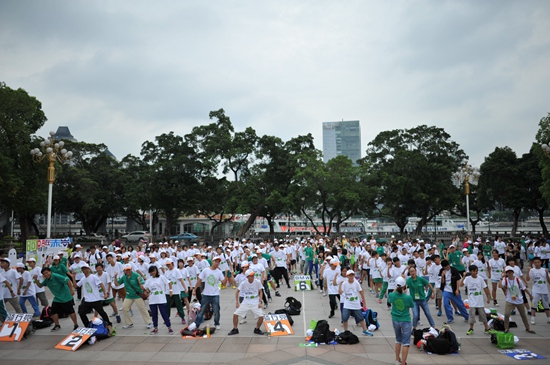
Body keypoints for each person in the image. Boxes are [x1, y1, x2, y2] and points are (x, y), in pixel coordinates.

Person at [188, 256, 228, 331]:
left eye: (218, 262)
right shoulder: (205, 270)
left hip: (215, 295)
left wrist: (226, 273)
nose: (217, 263)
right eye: (216, 261)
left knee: (216, 310)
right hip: (206, 294)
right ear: (212, 262)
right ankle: (196, 324)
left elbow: (224, 283)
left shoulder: (219, 272)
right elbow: (199, 280)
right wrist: (194, 289)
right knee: (202, 310)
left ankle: (217, 323)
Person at [34, 267, 79, 331]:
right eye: (44, 274)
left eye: (47, 272)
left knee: (71, 311)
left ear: (50, 272)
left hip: (65, 296)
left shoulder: (56, 276)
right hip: (57, 298)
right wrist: (36, 280)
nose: (46, 274)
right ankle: (57, 325)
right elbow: (40, 285)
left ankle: (76, 325)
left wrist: (71, 290)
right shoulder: (47, 280)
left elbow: (68, 280)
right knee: (53, 312)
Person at [114, 264, 152, 329]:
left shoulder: (137, 275)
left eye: (129, 269)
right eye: (126, 270)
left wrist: (139, 281)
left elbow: (143, 286)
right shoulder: (124, 277)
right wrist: (115, 277)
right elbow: (117, 284)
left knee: (142, 308)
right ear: (124, 271)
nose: (128, 271)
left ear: (131, 269)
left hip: (137, 295)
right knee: (124, 308)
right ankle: (129, 323)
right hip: (129, 296)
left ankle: (149, 322)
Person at [76, 263, 113, 331]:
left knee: (102, 313)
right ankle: (87, 325)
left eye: (85, 269)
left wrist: (105, 293)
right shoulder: (83, 279)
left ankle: (109, 324)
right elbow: (76, 286)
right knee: (81, 313)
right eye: (83, 269)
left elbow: (101, 285)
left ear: (88, 269)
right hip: (87, 300)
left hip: (95, 300)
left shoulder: (93, 277)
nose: (84, 270)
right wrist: (73, 277)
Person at [499, 266, 535, 334]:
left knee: (523, 315)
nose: (509, 273)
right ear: (506, 273)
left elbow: (524, 288)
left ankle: (528, 328)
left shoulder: (518, 280)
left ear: (513, 272)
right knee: (506, 314)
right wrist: (501, 277)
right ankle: (506, 327)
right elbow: (500, 286)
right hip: (509, 300)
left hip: (519, 300)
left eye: (510, 272)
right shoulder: (505, 280)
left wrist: (530, 295)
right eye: (508, 272)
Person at [227, 269, 265, 335]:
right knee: (235, 314)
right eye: (251, 276)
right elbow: (237, 291)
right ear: (247, 277)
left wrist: (260, 301)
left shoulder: (257, 282)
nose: (252, 277)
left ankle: (257, 328)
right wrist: (237, 302)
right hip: (246, 302)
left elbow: (261, 291)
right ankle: (235, 329)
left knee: (261, 316)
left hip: (255, 302)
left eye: (253, 275)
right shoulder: (244, 283)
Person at [388, 277, 414, 365]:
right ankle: (403, 362)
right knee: (406, 342)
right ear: (405, 286)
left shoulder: (392, 295)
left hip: (395, 319)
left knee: (398, 340)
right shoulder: (408, 297)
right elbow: (411, 305)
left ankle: (396, 359)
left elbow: (390, 300)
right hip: (405, 319)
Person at [338, 270, 372, 336]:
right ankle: (345, 330)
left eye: (352, 275)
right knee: (344, 317)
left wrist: (364, 302)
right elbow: (340, 292)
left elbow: (361, 292)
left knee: (360, 318)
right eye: (349, 275)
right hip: (347, 303)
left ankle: (365, 330)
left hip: (356, 303)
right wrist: (340, 285)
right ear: (347, 276)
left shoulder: (356, 283)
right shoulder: (345, 283)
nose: (351, 277)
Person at [459, 265, 491, 335]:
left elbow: (485, 288)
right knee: (472, 315)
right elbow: (461, 285)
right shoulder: (468, 279)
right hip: (472, 301)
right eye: (473, 271)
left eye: (476, 271)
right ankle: (471, 328)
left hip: (479, 301)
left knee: (483, 315)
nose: (475, 272)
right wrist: (464, 276)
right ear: (470, 271)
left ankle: (487, 328)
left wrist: (488, 297)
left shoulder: (480, 279)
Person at [144, 265, 173, 334]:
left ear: (156, 271)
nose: (153, 273)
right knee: (154, 315)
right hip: (152, 300)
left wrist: (170, 291)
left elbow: (169, 283)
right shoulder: (149, 280)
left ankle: (169, 327)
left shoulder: (161, 277)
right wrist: (146, 292)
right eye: (151, 272)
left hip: (161, 299)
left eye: (154, 271)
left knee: (164, 314)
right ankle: (155, 328)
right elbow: (146, 289)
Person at [406, 266, 435, 331]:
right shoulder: (409, 280)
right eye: (411, 271)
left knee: (427, 313)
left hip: (422, 300)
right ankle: (414, 327)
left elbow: (428, 284)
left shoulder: (420, 279)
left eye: (413, 271)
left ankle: (433, 326)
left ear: (416, 271)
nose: (412, 272)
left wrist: (433, 292)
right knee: (415, 315)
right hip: (414, 301)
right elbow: (405, 286)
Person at [439, 259, 469, 324]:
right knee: (446, 304)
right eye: (445, 267)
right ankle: (450, 318)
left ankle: (466, 316)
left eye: (448, 266)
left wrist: (457, 289)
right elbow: (442, 282)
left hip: (454, 289)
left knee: (460, 304)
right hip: (446, 290)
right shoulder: (442, 271)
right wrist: (442, 276)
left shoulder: (454, 270)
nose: (447, 267)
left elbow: (458, 280)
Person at [526, 256, 550, 324]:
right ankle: (533, 318)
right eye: (535, 262)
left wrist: (547, 273)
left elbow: (549, 281)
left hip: (544, 290)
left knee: (546, 305)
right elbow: (527, 279)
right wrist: (528, 271)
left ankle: (548, 318)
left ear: (541, 262)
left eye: (538, 262)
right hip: (535, 290)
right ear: (533, 263)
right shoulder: (532, 270)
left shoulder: (544, 270)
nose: (537, 264)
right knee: (534, 304)